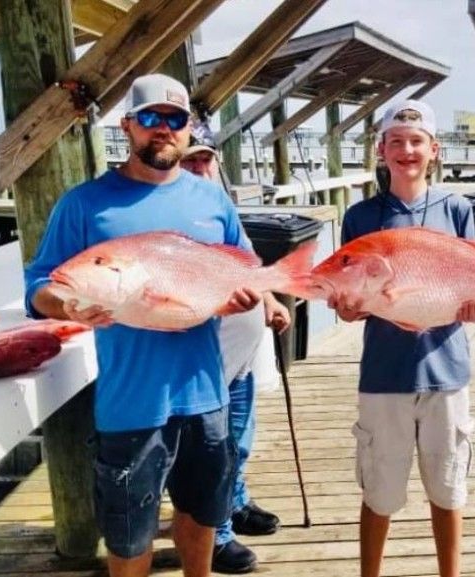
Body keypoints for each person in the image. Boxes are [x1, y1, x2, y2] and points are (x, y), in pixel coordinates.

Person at [25, 74, 259, 577]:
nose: (163, 129)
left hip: (206, 395)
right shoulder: (85, 204)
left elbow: (247, 265)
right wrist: (64, 306)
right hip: (131, 402)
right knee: (129, 533)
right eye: (150, 118)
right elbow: (39, 285)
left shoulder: (212, 199)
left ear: (188, 127)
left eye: (174, 119)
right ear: (127, 126)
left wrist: (250, 296)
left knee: (202, 516)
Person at [330, 100, 475, 577]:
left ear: (433, 150)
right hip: (383, 375)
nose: (406, 150)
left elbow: (473, 280)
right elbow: (349, 299)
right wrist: (346, 307)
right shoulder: (359, 218)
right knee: (379, 492)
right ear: (381, 150)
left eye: (416, 142)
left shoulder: (458, 209)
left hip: (448, 372)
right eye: (395, 141)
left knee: (447, 489)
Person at [179, 120, 287, 574]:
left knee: (239, 443)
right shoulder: (175, 213)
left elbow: (244, 262)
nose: (200, 167)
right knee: (214, 451)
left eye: (205, 158)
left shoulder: (218, 204)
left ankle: (235, 504)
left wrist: (268, 296)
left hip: (242, 354)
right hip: (206, 362)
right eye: (190, 160)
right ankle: (217, 533)